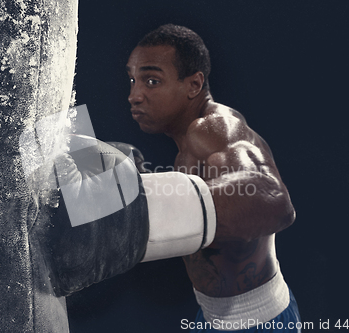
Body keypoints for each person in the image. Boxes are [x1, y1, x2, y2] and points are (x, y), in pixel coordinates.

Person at [126, 24, 300, 332]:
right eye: (133, 80)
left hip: (259, 322)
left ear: (194, 84)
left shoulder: (216, 127)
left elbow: (274, 201)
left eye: (151, 81)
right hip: (209, 318)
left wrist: (143, 202)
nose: (134, 95)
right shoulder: (189, 142)